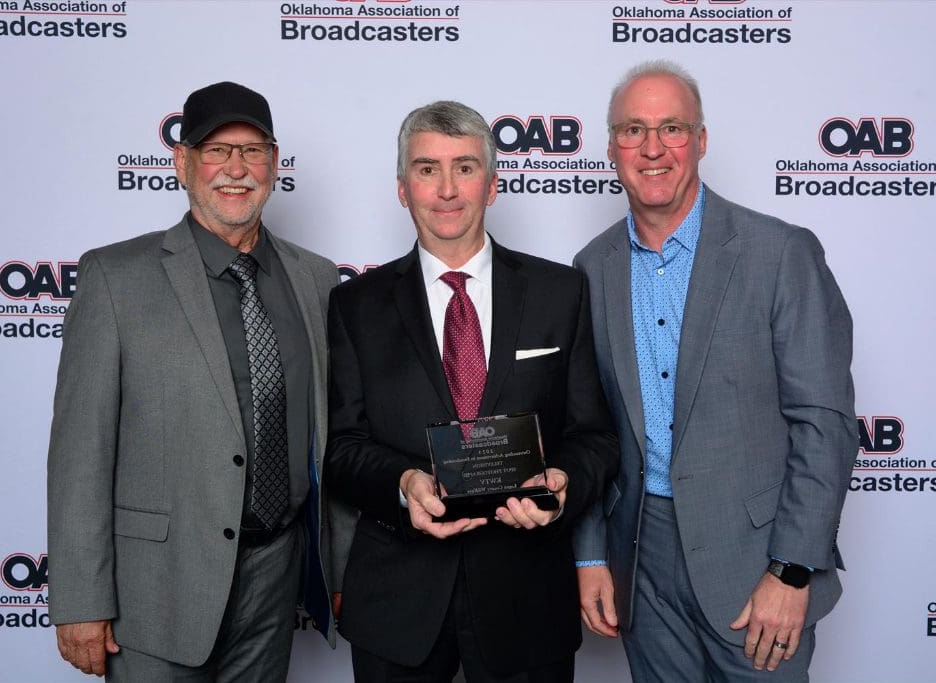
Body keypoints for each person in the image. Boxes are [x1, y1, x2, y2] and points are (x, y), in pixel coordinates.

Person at [46, 81, 349, 681]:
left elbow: (331, 436)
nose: (236, 169)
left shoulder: (316, 278)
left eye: (253, 151)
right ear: (183, 163)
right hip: (156, 588)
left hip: (277, 574)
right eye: (217, 151)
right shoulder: (115, 277)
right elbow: (80, 452)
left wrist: (339, 568)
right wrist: (80, 600)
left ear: (274, 163)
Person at [573, 60, 858, 682]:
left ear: (700, 141)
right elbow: (590, 426)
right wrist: (590, 555)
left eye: (672, 128)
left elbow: (825, 425)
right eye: (632, 130)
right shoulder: (591, 267)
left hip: (755, 563)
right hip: (640, 561)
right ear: (612, 147)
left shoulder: (779, 253)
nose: (652, 149)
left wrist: (791, 569)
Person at [325, 100, 618, 682]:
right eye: (426, 169)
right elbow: (340, 447)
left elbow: (595, 436)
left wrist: (561, 482)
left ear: (493, 184)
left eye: (464, 167)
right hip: (397, 601)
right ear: (402, 189)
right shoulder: (355, 304)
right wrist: (404, 486)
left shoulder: (561, 292)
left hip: (526, 597)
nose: (447, 189)